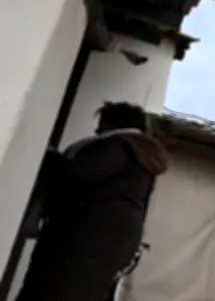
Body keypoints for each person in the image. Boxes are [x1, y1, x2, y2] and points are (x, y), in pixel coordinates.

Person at [16, 102, 168, 301]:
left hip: (87, 235)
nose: (97, 130)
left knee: (54, 288)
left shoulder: (118, 146)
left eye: (102, 124)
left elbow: (78, 174)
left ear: (114, 123)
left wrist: (50, 157)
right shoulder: (142, 157)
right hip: (114, 239)